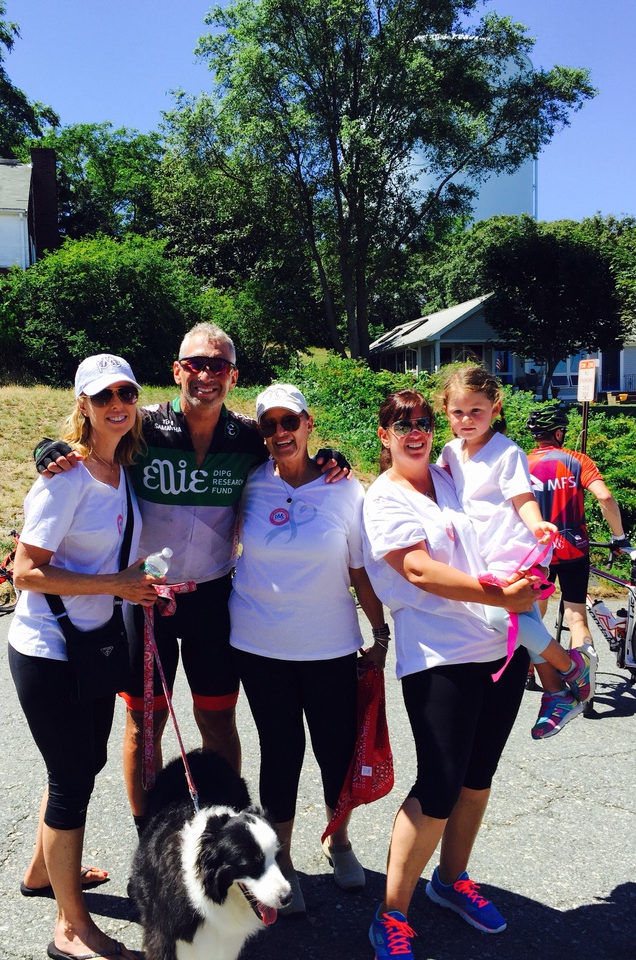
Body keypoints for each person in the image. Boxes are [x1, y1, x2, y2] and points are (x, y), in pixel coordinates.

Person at [35, 323, 348, 833]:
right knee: (146, 724)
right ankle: (148, 834)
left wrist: (334, 459)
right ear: (177, 370)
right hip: (146, 598)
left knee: (218, 720)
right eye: (196, 364)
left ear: (233, 375)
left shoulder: (249, 437)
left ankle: (225, 827)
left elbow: (298, 455)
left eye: (218, 365)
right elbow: (89, 438)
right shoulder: (143, 427)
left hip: (213, 598)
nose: (206, 374)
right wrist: (48, 450)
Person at [362, 388, 540, 960]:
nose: (413, 430)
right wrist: (504, 595)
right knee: (438, 786)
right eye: (400, 422)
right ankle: (391, 915)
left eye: (422, 421)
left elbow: (501, 520)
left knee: (477, 777)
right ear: (384, 434)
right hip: (439, 656)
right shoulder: (383, 498)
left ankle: (452, 880)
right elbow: (416, 568)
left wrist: (529, 574)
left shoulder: (450, 474)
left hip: (498, 646)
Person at [9, 354, 160, 960]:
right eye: (102, 397)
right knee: (71, 782)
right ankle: (71, 930)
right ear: (83, 406)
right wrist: (116, 586)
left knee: (78, 768)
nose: (116, 403)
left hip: (92, 646)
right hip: (50, 652)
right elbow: (25, 572)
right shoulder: (64, 478)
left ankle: (42, 874)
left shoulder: (118, 468)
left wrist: (139, 585)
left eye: (125, 392)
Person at [228, 384, 388, 917]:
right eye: (269, 425)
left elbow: (360, 571)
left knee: (336, 750)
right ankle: (282, 861)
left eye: (289, 422)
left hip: (330, 645)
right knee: (280, 752)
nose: (280, 434)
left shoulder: (346, 490)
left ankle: (337, 840)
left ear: (308, 422)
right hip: (259, 642)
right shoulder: (249, 484)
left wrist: (380, 633)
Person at [437, 365, 597, 740]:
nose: (466, 419)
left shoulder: (505, 452)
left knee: (496, 613)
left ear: (495, 407)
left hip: (515, 549)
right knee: (527, 622)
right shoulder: (449, 451)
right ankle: (557, 693)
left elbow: (522, 498)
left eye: (476, 411)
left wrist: (538, 522)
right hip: (483, 553)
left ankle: (571, 666)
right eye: (458, 412)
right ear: (446, 411)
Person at [526, 404, 631, 646]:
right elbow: (604, 497)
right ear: (559, 433)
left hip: (539, 551)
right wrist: (619, 536)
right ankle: (585, 679)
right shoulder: (578, 460)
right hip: (574, 548)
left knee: (533, 618)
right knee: (576, 619)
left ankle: (529, 672)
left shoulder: (522, 463)